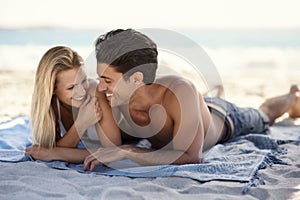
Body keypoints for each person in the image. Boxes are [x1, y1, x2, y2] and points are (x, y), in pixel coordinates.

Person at [83, 29, 300, 170]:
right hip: (190, 112)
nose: (100, 87)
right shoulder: (109, 94)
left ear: (136, 79)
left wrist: (128, 151)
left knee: (263, 114)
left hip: (224, 118)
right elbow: (105, 147)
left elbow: (191, 157)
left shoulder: (179, 90)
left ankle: (291, 98)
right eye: (99, 78)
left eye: (107, 80)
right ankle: (208, 97)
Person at [25, 46, 121, 163]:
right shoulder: (50, 106)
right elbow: (48, 149)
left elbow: (113, 151)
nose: (81, 92)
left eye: (83, 80)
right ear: (52, 90)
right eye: (71, 87)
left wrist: (55, 152)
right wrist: (81, 124)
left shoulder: (94, 93)